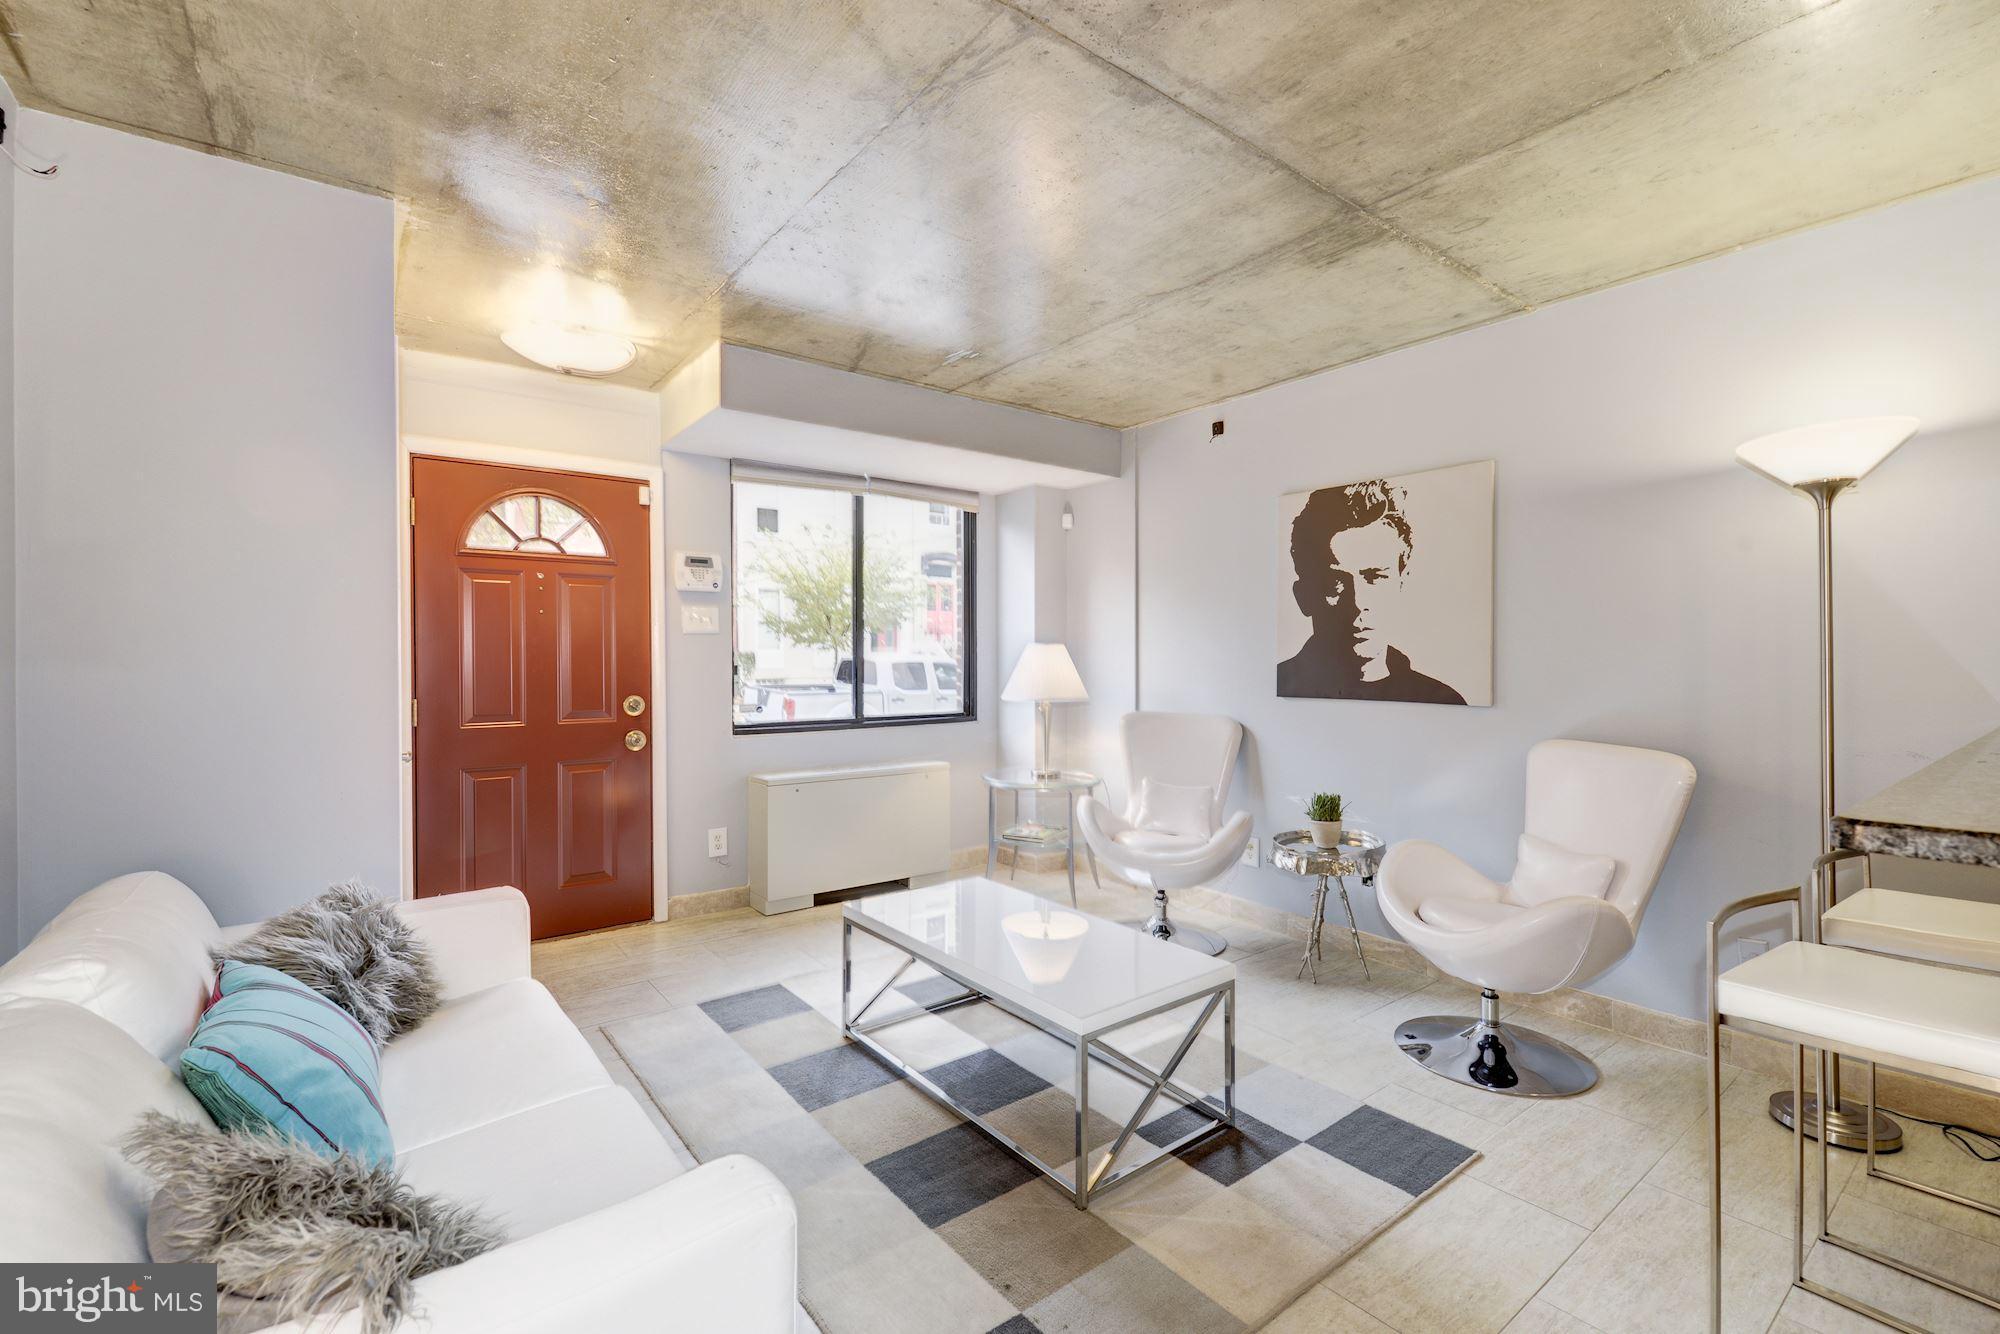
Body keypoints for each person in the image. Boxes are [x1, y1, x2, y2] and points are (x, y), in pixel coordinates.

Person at [1278, 479, 1466, 704]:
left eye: (1376, 577)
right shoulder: (1275, 686)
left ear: (1401, 584)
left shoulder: (1443, 700)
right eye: (1335, 583)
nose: (1358, 602)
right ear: (1303, 597)